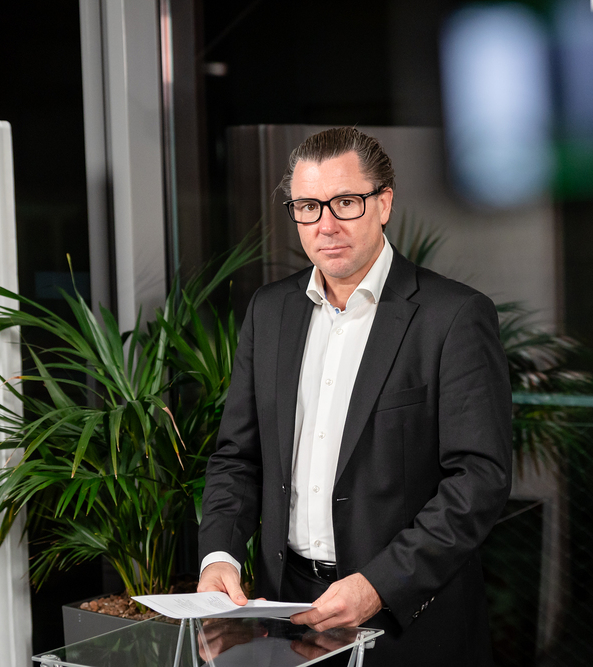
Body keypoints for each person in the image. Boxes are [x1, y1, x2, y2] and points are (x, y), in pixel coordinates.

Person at [197, 127, 512, 665]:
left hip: (407, 619)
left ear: (383, 203)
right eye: (308, 207)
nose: (326, 225)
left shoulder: (453, 316)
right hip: (286, 608)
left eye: (345, 202)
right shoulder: (269, 312)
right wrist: (219, 556)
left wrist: (380, 584)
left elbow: (478, 480)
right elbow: (237, 456)